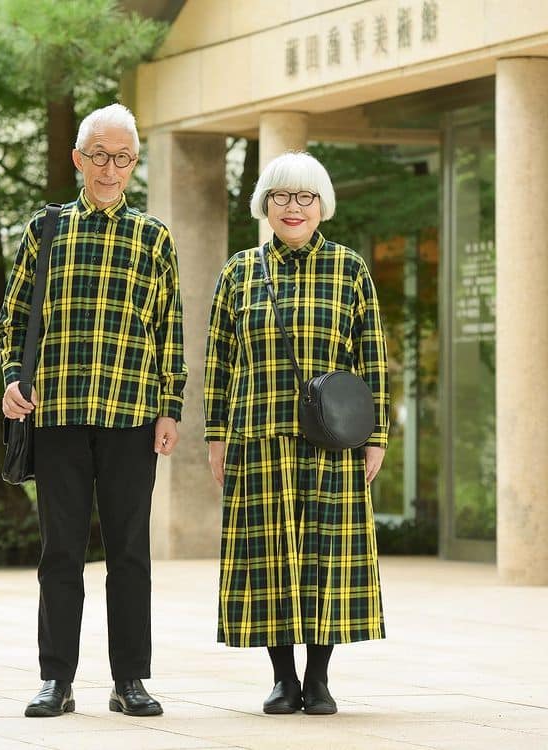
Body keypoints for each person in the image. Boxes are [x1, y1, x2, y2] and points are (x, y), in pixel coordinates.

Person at [0, 103, 187, 719]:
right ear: (79, 160)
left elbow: (169, 330)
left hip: (133, 414)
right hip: (58, 412)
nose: (110, 168)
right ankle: (57, 679)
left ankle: (130, 679)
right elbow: (14, 315)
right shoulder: (46, 230)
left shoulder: (154, 237)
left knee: (130, 553)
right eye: (99, 156)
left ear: (135, 164)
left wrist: (170, 407)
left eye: (123, 157)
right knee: (61, 551)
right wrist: (11, 379)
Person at [203, 151, 389, 716]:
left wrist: (375, 435)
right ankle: (282, 678)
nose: (293, 207)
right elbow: (219, 360)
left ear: (322, 206)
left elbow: (373, 357)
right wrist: (216, 435)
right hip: (257, 436)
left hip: (332, 442)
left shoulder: (350, 269)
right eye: (281, 196)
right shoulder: (239, 271)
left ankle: (320, 679)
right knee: (269, 558)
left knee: (325, 557)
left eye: (305, 197)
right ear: (264, 204)